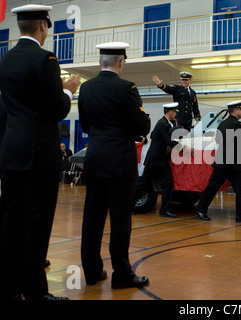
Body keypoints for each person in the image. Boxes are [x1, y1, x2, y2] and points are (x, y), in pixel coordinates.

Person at [0, 4, 81, 301]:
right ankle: (35, 291)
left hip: (11, 151)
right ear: (44, 26)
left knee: (10, 222)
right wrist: (69, 89)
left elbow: (23, 102)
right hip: (38, 155)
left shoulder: (6, 59)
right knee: (37, 224)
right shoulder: (45, 59)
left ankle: (9, 287)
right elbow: (58, 108)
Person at [78, 42, 150, 289]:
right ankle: (122, 275)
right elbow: (143, 126)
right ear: (121, 61)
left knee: (92, 218)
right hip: (120, 162)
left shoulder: (86, 88)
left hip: (95, 160)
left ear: (100, 62)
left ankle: (91, 271)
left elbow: (86, 125)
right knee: (120, 220)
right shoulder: (127, 88)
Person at [196, 100, 241, 223]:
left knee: (213, 187)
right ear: (236, 110)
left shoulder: (222, 124)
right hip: (231, 162)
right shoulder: (237, 125)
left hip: (222, 161)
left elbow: (217, 140)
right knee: (240, 188)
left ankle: (201, 209)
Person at [133, 102, 192, 218]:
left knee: (167, 184)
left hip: (161, 161)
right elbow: (168, 141)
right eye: (174, 112)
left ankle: (165, 210)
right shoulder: (162, 124)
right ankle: (128, 206)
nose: (175, 114)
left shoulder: (168, 124)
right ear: (170, 112)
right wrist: (184, 148)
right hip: (155, 160)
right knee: (142, 184)